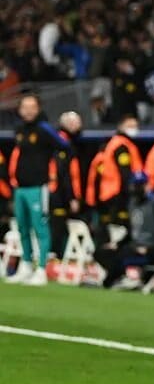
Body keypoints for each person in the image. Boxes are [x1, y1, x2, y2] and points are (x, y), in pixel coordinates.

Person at [8, 94, 72, 284]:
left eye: (31, 107)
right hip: (20, 188)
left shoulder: (44, 129)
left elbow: (65, 147)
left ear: (38, 108)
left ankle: (42, 269)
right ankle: (26, 265)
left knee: (40, 228)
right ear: (19, 110)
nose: (28, 111)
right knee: (22, 228)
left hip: (38, 187)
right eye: (24, 107)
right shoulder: (19, 130)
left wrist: (55, 171)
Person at [94, 172, 154, 289]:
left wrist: (150, 249)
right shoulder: (132, 203)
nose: (135, 188)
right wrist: (117, 244)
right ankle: (119, 277)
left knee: (121, 258)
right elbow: (132, 230)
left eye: (139, 185)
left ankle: (109, 282)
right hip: (133, 246)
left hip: (150, 249)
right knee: (100, 252)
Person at [86, 114, 143, 242]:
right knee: (119, 229)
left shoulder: (119, 143)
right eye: (130, 126)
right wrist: (132, 191)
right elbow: (125, 173)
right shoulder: (121, 146)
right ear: (121, 126)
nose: (133, 129)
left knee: (111, 227)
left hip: (109, 192)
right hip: (117, 193)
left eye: (135, 126)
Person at [48, 111, 85, 268]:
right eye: (76, 123)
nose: (79, 126)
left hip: (57, 192)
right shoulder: (62, 142)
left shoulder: (68, 142)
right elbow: (65, 174)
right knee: (57, 227)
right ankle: (53, 260)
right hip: (58, 194)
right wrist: (71, 197)